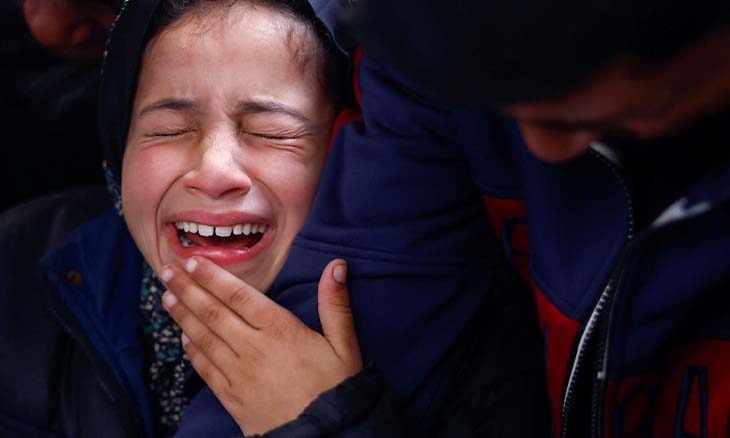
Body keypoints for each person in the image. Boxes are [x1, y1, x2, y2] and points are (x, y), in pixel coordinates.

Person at [1, 0, 548, 437]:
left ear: (348, 156)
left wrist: (330, 421)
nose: (214, 172)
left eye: (271, 133)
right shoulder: (16, 272)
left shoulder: (480, 360)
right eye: (169, 130)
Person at [218, 0, 730, 437]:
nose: (538, 149)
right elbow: (291, 356)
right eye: (498, 106)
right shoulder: (427, 57)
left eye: (571, 118)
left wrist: (331, 425)